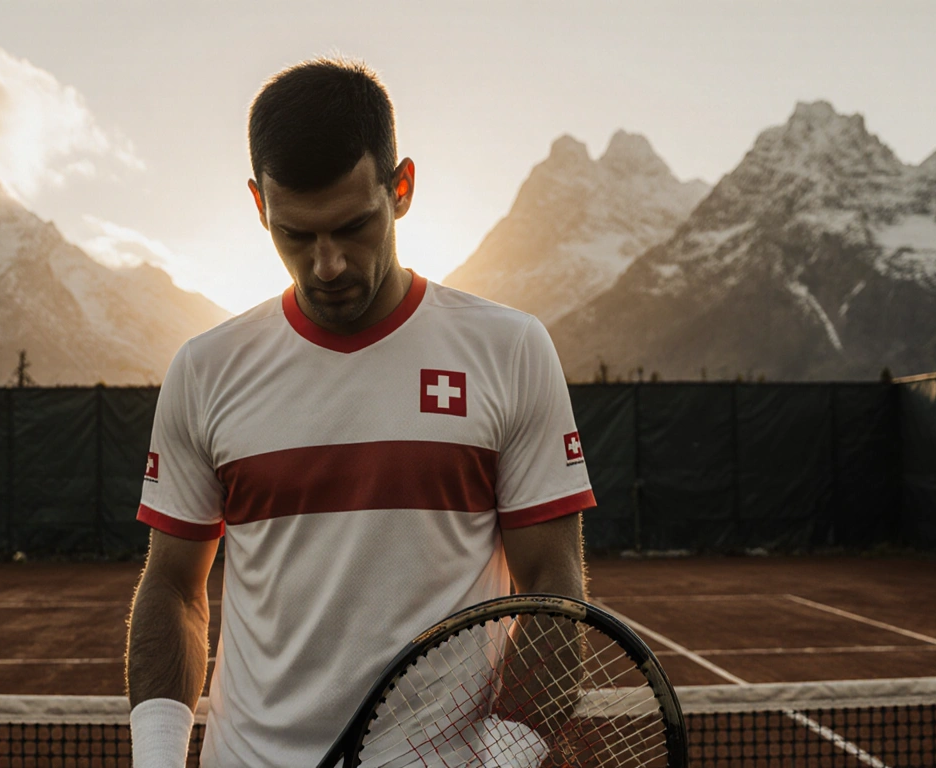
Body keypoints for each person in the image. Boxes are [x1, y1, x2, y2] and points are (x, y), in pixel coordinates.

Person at [125, 57, 593, 768]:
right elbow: (172, 586)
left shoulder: (510, 349)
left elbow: (553, 583)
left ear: (401, 188)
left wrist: (505, 759)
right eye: (295, 236)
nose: (327, 265)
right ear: (258, 206)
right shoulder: (205, 369)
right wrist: (156, 760)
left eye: (352, 226)